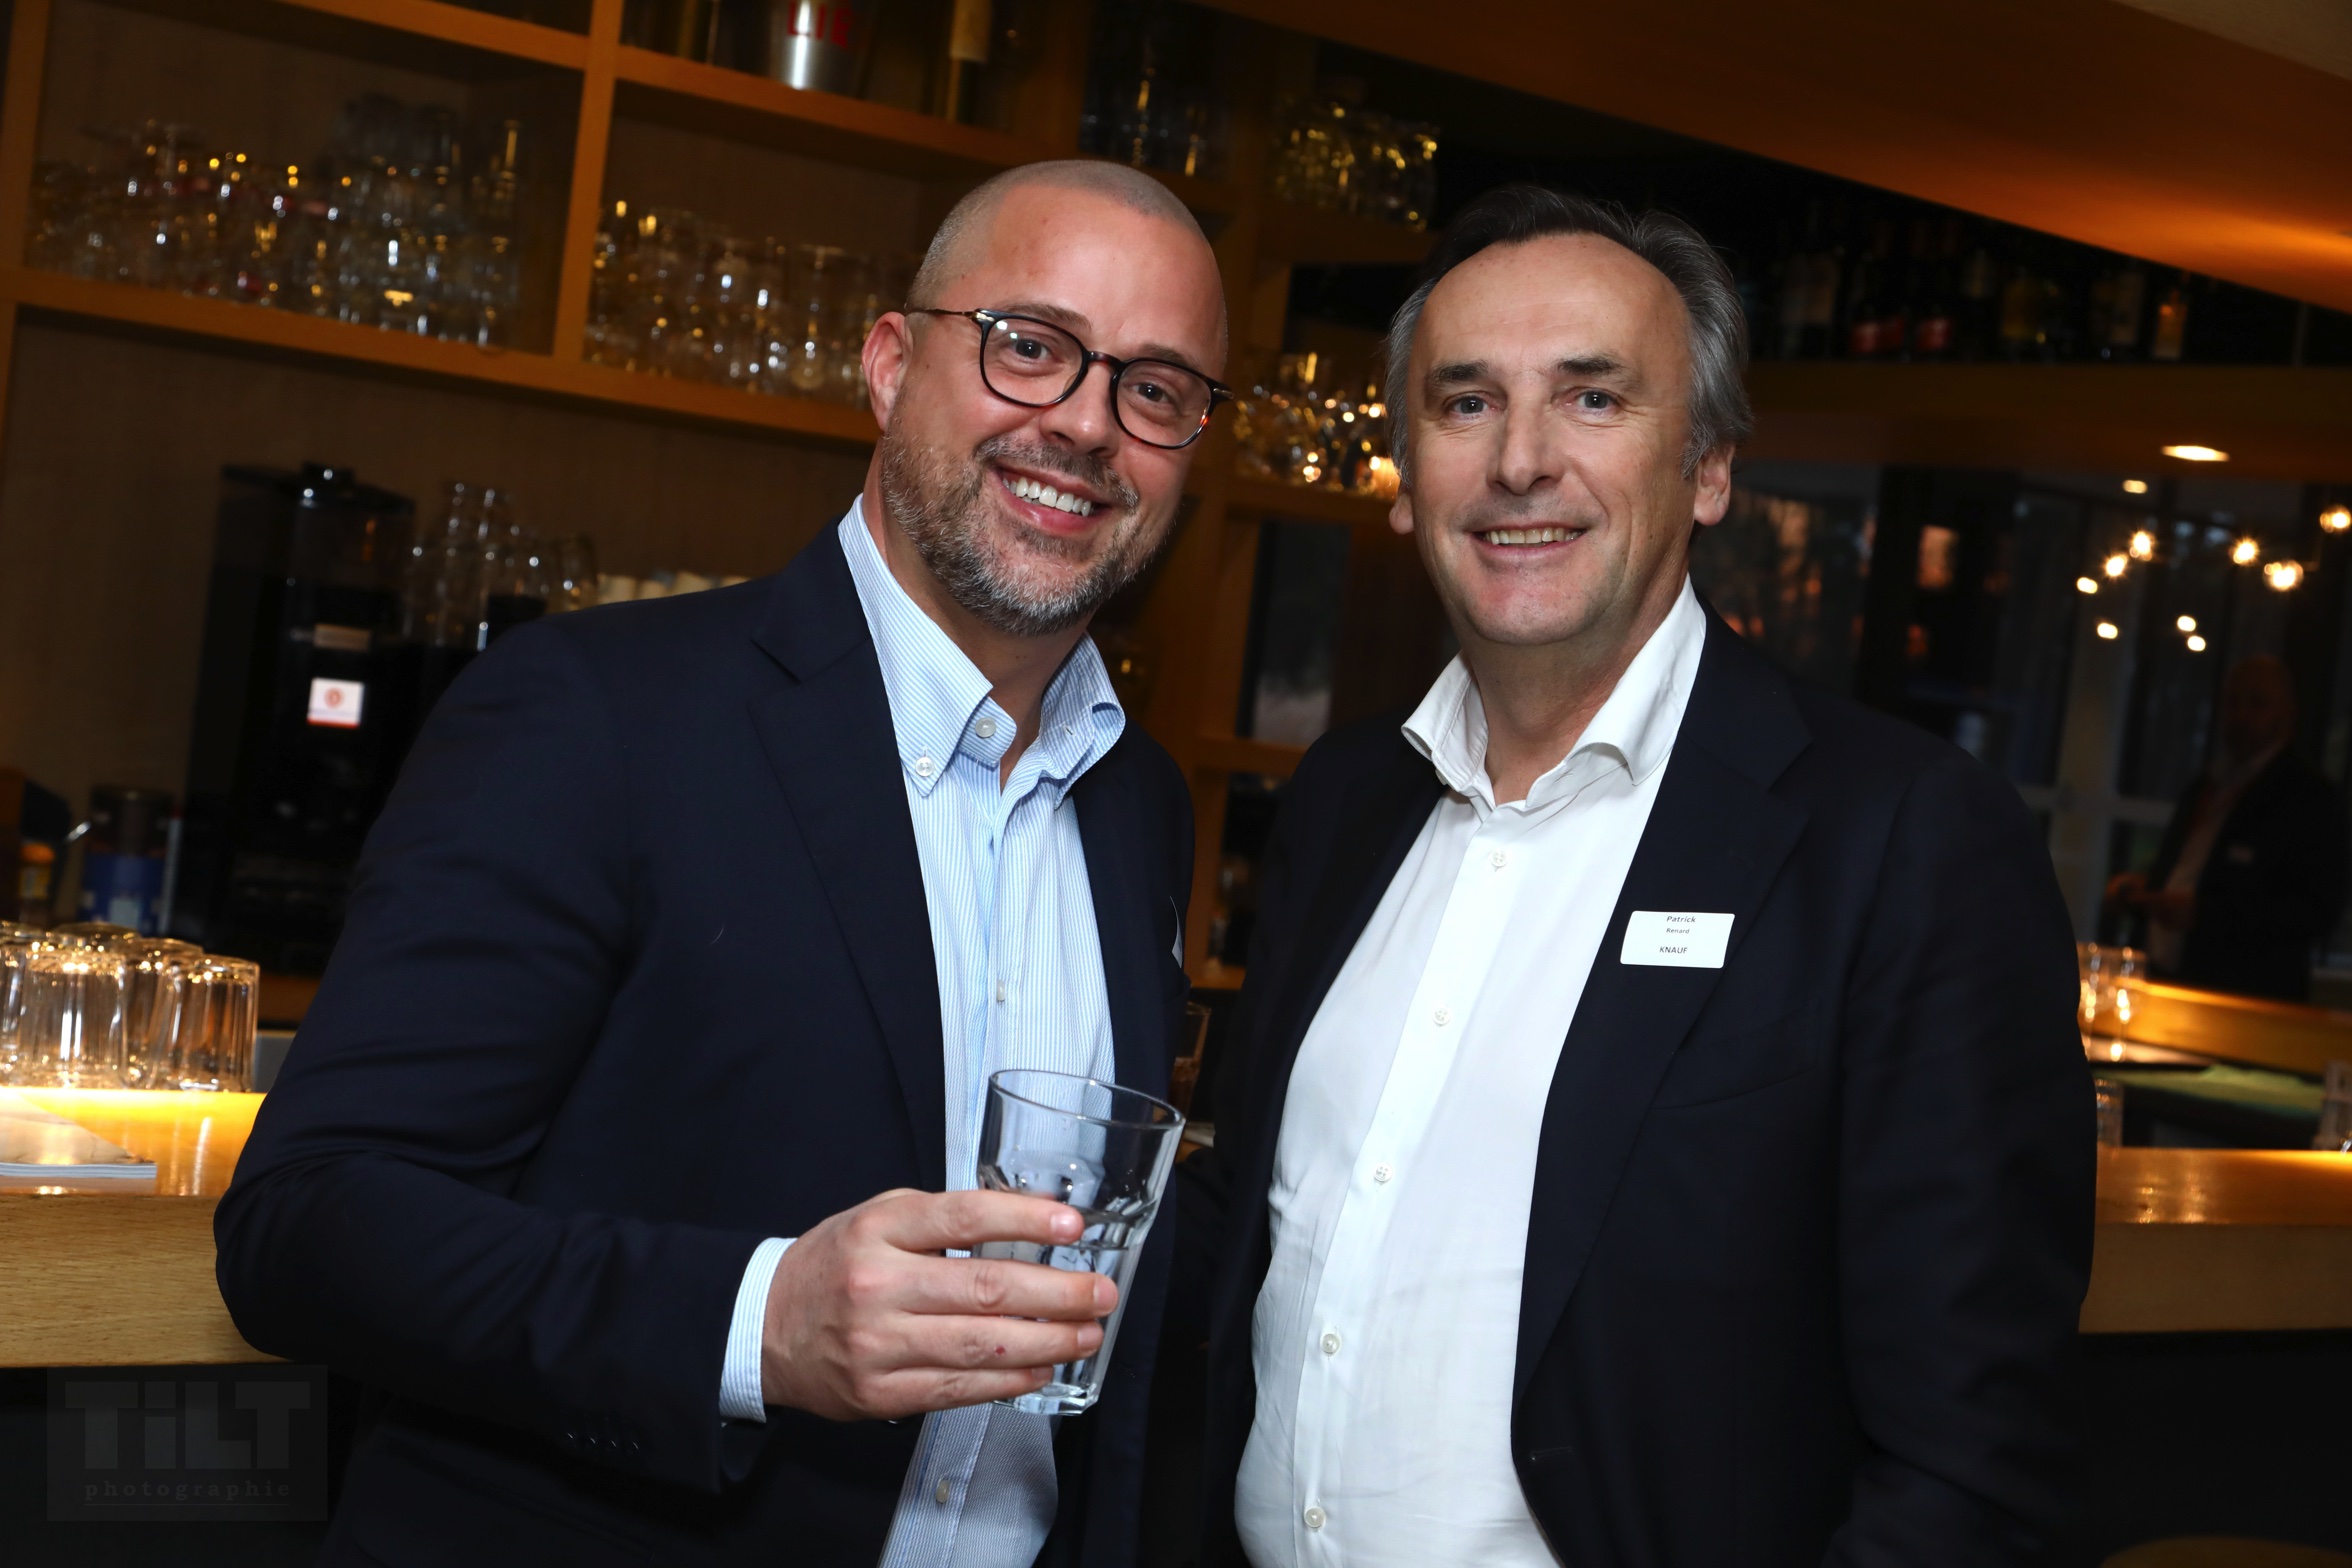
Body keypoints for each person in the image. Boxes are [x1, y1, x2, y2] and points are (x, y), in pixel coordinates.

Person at [215, 159, 1229, 1566]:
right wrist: (759, 1323)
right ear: (891, 364)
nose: (1086, 423)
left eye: (1156, 389)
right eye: (1030, 346)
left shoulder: (1141, 804)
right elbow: (308, 1226)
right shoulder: (597, 714)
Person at [1175, 187, 2094, 1567]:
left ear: (1708, 467)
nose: (1521, 461)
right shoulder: (1345, 798)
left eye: (1593, 398)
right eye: (1466, 403)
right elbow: (1254, 1225)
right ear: (1407, 470)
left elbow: (1977, 1461)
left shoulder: (1903, 842)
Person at [2107, 655, 2349, 1002]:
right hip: (2170, 979)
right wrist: (2145, 891)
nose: (2241, 715)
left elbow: (2315, 911)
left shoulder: (2309, 798)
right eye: (2233, 703)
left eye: (2257, 703)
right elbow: (2192, 871)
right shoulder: (2208, 785)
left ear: (2287, 712)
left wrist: (2204, 914)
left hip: (2245, 994)